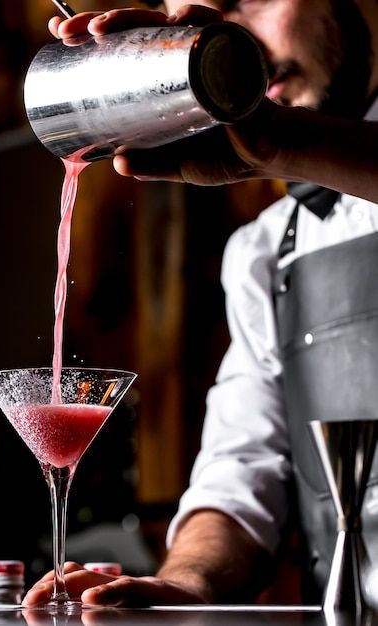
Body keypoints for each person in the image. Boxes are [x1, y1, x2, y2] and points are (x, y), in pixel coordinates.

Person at [23, 0, 378, 608]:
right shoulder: (264, 252)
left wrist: (287, 142)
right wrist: (185, 581)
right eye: (202, 18)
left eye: (251, 1)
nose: (234, 36)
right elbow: (240, 474)